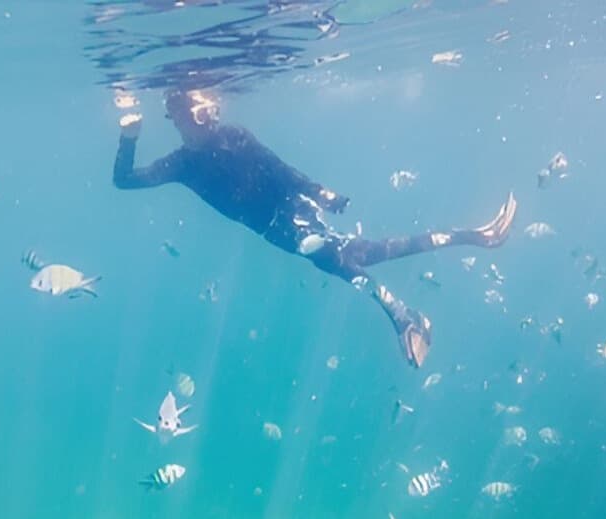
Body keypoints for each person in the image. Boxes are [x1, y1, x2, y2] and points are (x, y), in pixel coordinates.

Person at [113, 88, 517, 368]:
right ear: (177, 120)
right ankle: (468, 243)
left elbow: (278, 169)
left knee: (340, 261)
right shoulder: (180, 163)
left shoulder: (232, 135)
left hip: (293, 210)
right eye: (193, 116)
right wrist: (128, 138)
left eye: (206, 113)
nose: (203, 122)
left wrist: (318, 192)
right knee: (362, 254)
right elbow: (124, 180)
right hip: (273, 229)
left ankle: (404, 315)